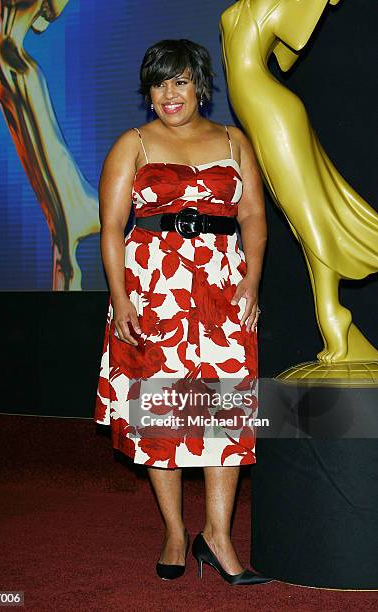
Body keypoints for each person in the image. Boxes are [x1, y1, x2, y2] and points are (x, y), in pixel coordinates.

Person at [94, 39, 270, 585]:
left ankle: (217, 537)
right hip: (154, 292)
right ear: (148, 92)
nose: (169, 93)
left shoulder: (234, 141)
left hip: (222, 290)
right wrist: (122, 298)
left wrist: (252, 282)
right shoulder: (134, 143)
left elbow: (255, 218)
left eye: (180, 81)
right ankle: (175, 531)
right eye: (159, 82)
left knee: (224, 412)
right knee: (162, 414)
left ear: (200, 85)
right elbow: (111, 229)